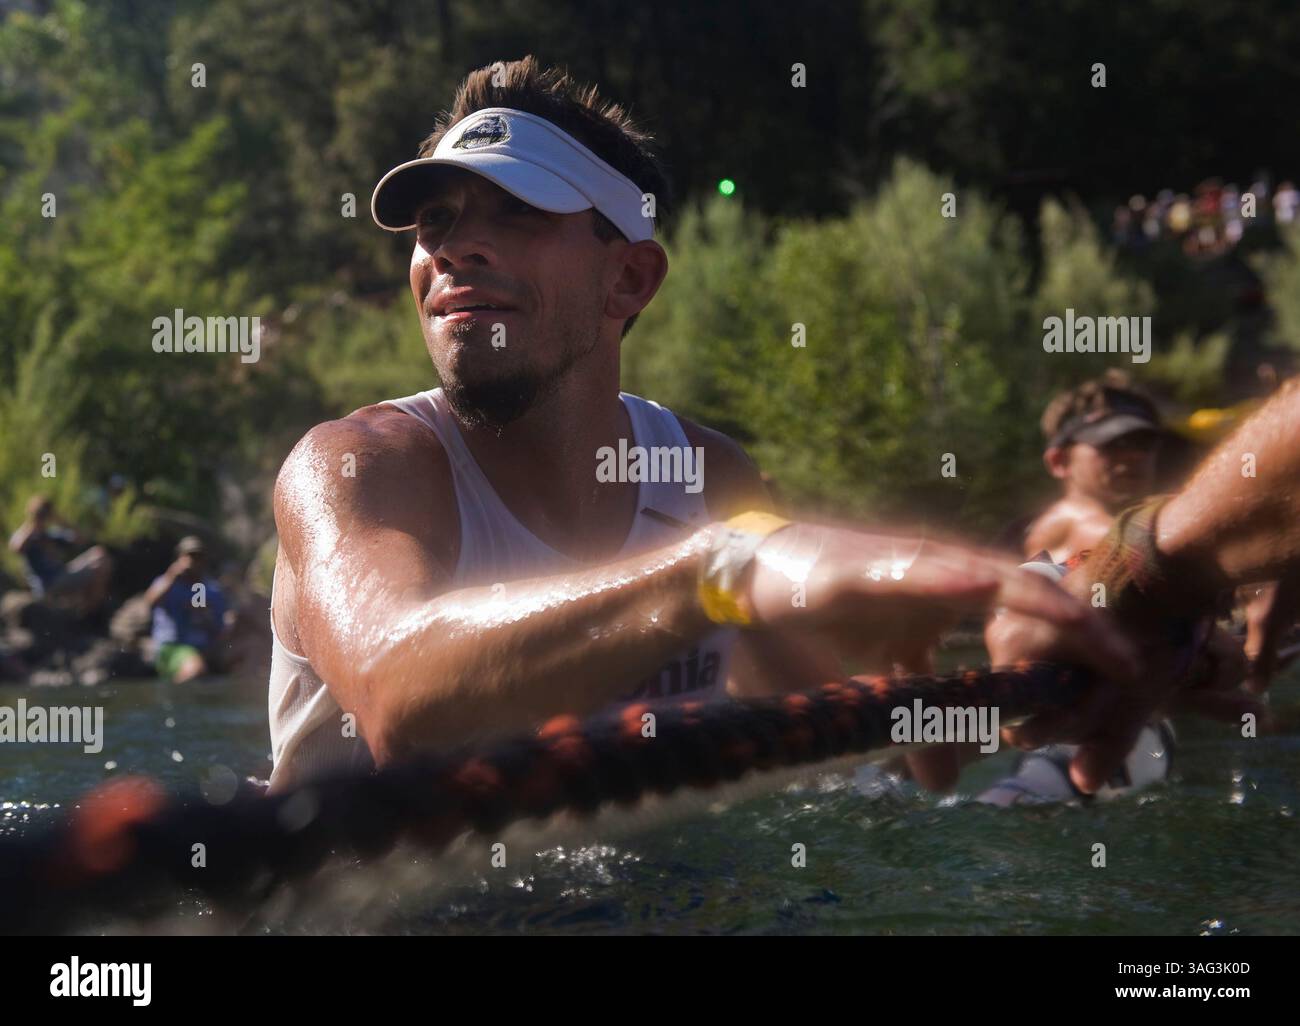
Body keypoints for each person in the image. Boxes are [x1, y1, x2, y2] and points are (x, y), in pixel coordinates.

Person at [266, 57, 1134, 794]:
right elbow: (401, 708)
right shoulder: (353, 468)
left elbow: (863, 761)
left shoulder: (706, 477)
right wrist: (719, 572)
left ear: (630, 281)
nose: (455, 248)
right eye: (436, 223)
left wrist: (1072, 654)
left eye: (518, 213)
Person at [986, 376, 1300, 795]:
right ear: (1059, 461)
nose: (1131, 456)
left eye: (1143, 443)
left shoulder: (1018, 537)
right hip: (1092, 746)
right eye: (1110, 445)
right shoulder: (1090, 526)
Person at [1022, 372, 1165, 563]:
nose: (1136, 455)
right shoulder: (1071, 523)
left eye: (1145, 443)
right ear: (1059, 461)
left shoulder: (1014, 537)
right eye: (1115, 443)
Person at [7, 495, 113, 618]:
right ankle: (89, 614)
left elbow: (81, 540)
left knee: (99, 555)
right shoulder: (28, 537)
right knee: (99, 564)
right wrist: (32, 524)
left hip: (62, 574)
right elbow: (16, 547)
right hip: (48, 584)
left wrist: (61, 521)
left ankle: (88, 609)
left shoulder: (51, 535)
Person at [146, 536, 230, 683]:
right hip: (172, 648)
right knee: (195, 669)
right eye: (189, 556)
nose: (194, 562)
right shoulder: (167, 583)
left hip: (204, 649)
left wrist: (204, 615)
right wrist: (171, 576)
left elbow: (220, 628)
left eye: (198, 558)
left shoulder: (212, 590)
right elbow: (150, 603)